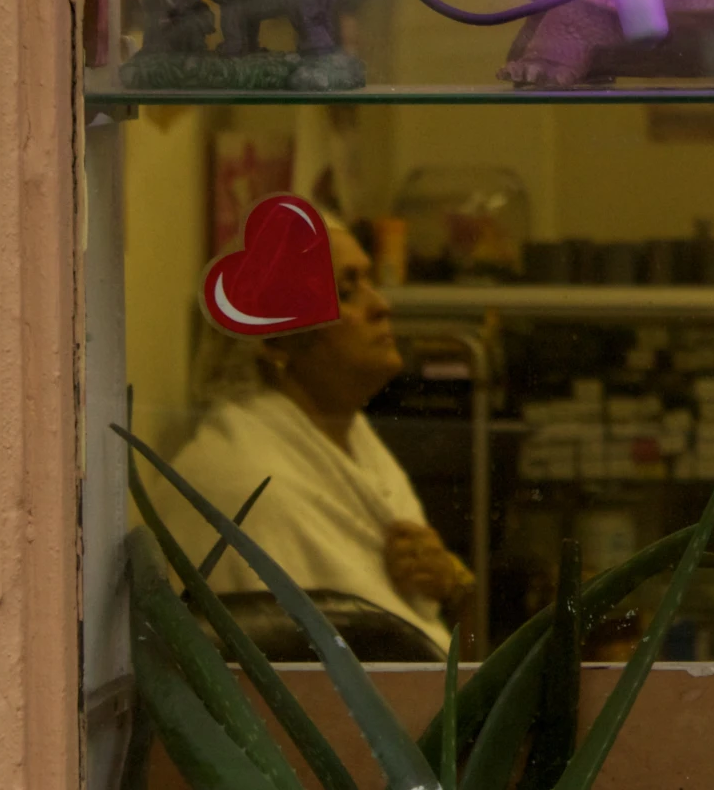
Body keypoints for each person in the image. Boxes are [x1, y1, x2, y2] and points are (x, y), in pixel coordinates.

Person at [154, 220, 474, 653]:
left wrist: (450, 584)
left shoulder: (353, 438)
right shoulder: (242, 485)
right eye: (347, 291)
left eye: (369, 283)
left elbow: (416, 638)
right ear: (274, 342)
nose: (381, 306)